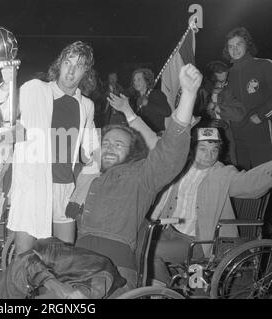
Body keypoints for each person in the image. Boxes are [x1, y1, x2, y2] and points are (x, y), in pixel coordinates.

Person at [68, 64, 202, 292]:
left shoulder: (140, 175)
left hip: (113, 270)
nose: (109, 148)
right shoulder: (88, 177)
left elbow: (170, 152)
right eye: (107, 143)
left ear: (132, 153)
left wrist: (188, 95)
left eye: (119, 145)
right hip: (77, 262)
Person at [148, 125, 272, 285]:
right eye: (203, 149)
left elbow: (249, 184)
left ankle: (167, 293)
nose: (209, 155)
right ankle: (168, 286)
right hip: (170, 230)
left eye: (214, 150)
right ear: (192, 149)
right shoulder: (181, 167)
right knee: (138, 243)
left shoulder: (221, 174)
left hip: (200, 242)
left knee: (151, 253)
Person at [8, 41, 100, 254]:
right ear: (59, 63)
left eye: (79, 65)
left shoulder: (86, 106)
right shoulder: (35, 90)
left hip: (64, 189)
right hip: (34, 187)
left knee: (64, 258)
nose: (71, 70)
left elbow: (93, 153)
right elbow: (7, 118)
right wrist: (5, 83)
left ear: (86, 71)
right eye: (67, 62)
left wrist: (80, 194)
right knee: (24, 256)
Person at [223, 27, 272, 170]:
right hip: (237, 136)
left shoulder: (264, 65)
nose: (235, 49)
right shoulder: (229, 74)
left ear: (248, 44)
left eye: (239, 44)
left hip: (261, 130)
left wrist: (262, 115)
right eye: (231, 46)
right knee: (245, 180)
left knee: (265, 177)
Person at [200, 61, 246, 165]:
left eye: (224, 81)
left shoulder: (227, 92)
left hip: (226, 149)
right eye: (219, 81)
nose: (222, 85)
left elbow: (240, 114)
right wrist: (208, 124)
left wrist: (220, 112)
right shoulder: (199, 94)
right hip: (203, 149)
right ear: (209, 81)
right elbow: (192, 120)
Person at [130, 68, 171, 134]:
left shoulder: (156, 94)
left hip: (156, 135)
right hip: (141, 136)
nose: (136, 82)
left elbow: (167, 112)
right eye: (134, 80)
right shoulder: (136, 99)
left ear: (146, 80)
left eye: (139, 79)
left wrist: (148, 104)